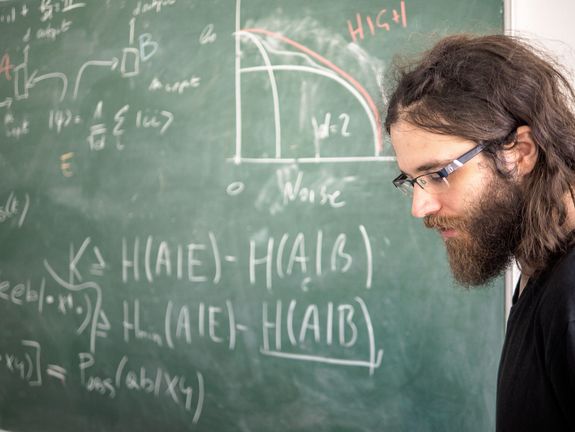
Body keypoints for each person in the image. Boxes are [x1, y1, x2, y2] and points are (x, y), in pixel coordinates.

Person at [384, 34, 575, 431]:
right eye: (412, 180)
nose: (419, 207)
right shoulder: (543, 263)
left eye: (438, 174)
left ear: (519, 152)